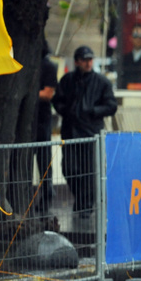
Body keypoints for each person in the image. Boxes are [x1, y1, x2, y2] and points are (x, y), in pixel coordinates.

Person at [52, 46, 119, 215]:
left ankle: (86, 205)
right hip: (70, 132)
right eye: (84, 60)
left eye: (90, 59)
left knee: (89, 171)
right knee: (69, 168)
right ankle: (81, 201)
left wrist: (93, 111)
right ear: (77, 62)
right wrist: (67, 111)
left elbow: (111, 106)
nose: (88, 63)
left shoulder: (102, 82)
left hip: (91, 134)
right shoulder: (67, 80)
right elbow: (57, 100)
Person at [32, 46, 58, 214]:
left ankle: (46, 195)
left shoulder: (47, 66)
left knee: (43, 160)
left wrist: (28, 93)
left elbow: (48, 94)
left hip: (41, 119)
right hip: (31, 118)